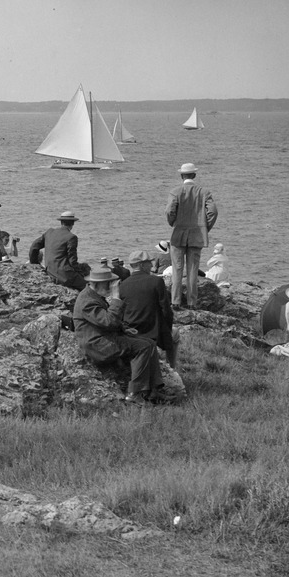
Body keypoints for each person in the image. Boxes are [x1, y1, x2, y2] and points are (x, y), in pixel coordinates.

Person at [73, 265, 166, 405]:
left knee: (150, 343)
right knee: (143, 347)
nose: (111, 287)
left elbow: (104, 321)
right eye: (108, 283)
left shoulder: (93, 295)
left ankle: (153, 391)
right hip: (97, 345)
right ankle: (135, 393)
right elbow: (108, 321)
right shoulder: (87, 301)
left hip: (102, 339)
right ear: (97, 284)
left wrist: (124, 329)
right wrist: (116, 298)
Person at [166, 162, 218, 309]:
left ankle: (175, 301)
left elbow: (170, 211)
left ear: (182, 176)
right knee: (193, 269)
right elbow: (213, 211)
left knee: (177, 269)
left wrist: (173, 222)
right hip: (197, 234)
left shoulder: (175, 192)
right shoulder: (204, 192)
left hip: (179, 233)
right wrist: (205, 227)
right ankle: (191, 302)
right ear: (194, 175)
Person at [119, 250, 179, 370]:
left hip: (131, 329)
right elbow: (166, 311)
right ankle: (171, 368)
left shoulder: (123, 285)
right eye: (149, 263)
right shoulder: (156, 281)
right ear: (141, 265)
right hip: (152, 329)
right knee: (175, 334)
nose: (152, 266)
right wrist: (167, 328)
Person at [28, 211, 89, 291]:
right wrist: (80, 272)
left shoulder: (49, 232)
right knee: (89, 288)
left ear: (61, 222)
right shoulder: (71, 237)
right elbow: (72, 261)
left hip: (49, 271)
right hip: (64, 275)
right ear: (73, 224)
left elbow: (34, 247)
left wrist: (35, 263)